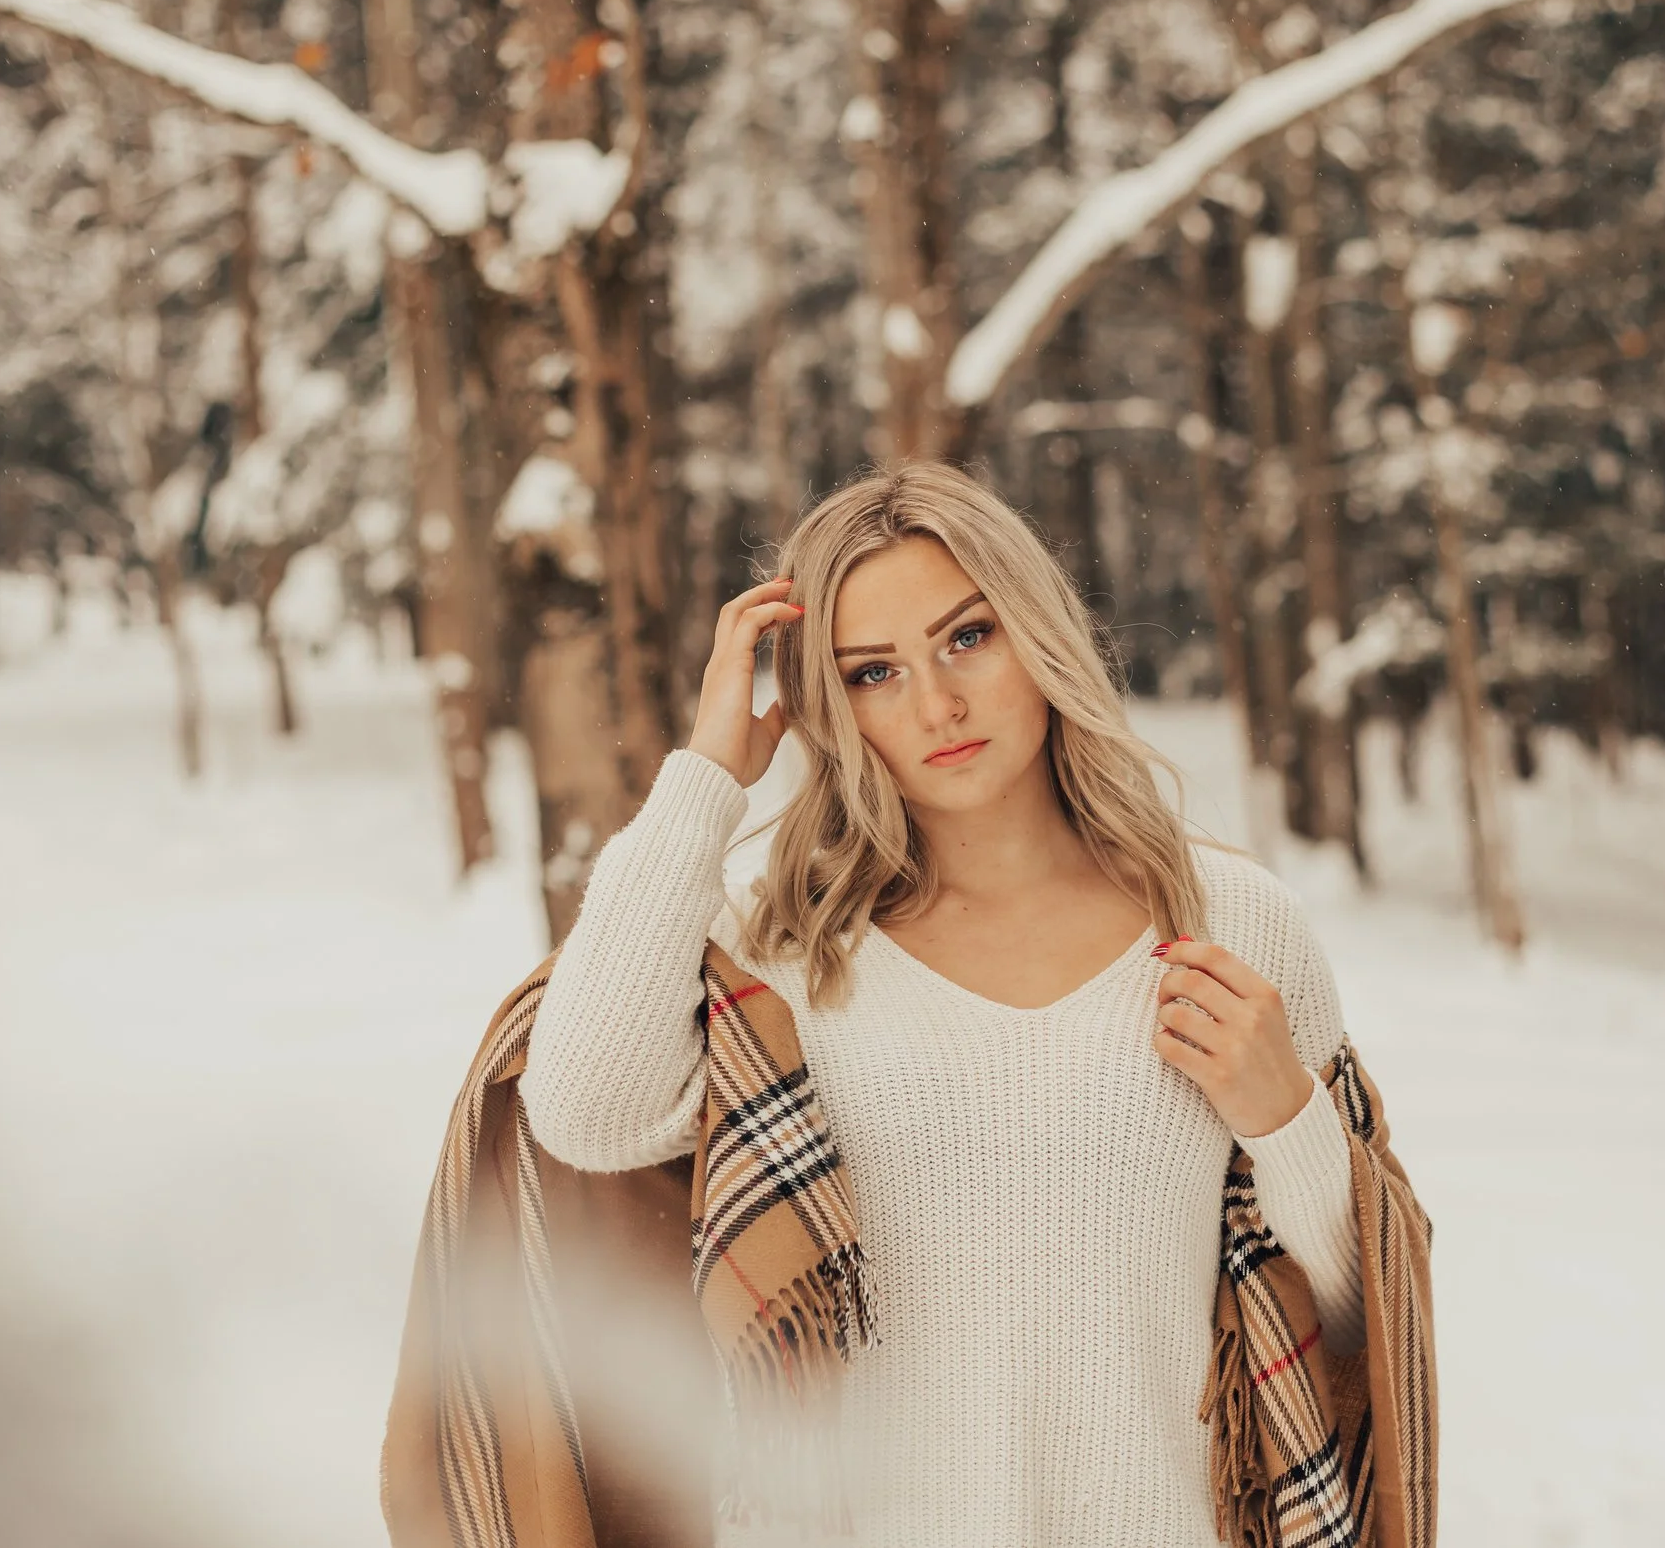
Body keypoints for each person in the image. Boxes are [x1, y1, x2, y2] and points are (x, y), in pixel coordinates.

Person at [523, 462, 1375, 1548]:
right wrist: (705, 774)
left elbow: (1351, 1321)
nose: (937, 705)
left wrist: (1285, 1117)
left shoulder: (1233, 925)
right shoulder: (782, 941)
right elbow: (584, 1111)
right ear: (826, 704)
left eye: (967, 636)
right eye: (871, 671)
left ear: (1036, 628)